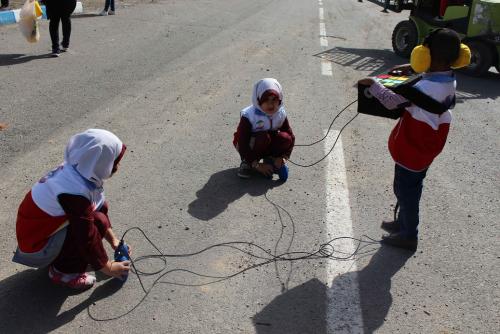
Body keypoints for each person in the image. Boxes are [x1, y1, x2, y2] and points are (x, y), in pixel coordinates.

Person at [358, 29, 467, 251]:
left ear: (428, 56)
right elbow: (429, 78)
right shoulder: (448, 79)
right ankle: (403, 223)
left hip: (413, 148)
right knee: (404, 186)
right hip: (424, 149)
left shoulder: (425, 88)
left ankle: (409, 235)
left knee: (408, 192)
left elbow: (392, 101)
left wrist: (372, 84)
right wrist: (411, 70)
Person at [13, 129, 131, 289]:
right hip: (36, 248)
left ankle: (62, 258)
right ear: (99, 162)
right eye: (114, 162)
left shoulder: (79, 170)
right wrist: (107, 267)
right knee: (93, 224)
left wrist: (114, 241)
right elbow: (86, 235)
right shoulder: (74, 193)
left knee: (98, 218)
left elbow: (99, 205)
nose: (117, 166)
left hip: (41, 235)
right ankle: (63, 272)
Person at [233, 78, 295, 179]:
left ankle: (271, 159)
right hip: (249, 145)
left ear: (279, 100)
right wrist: (256, 165)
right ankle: (248, 163)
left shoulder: (280, 113)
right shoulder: (249, 116)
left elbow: (291, 136)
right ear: (258, 100)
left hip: (266, 144)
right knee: (262, 137)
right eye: (266, 100)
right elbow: (242, 142)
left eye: (274, 100)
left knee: (285, 137)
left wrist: (284, 157)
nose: (271, 105)